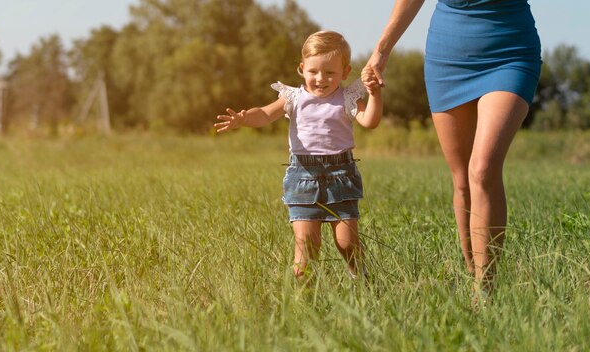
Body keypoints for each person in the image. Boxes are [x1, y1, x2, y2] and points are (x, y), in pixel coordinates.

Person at [362, 0, 541, 296]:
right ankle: (472, 272)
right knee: (462, 181)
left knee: (482, 169)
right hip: (449, 56)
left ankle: (484, 292)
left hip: (510, 50)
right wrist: (382, 50)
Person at [215, 30, 383, 282]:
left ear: (345, 73)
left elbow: (369, 121)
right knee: (307, 245)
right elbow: (264, 113)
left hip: (341, 176)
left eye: (330, 73)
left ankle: (363, 283)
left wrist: (375, 95)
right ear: (302, 68)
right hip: (302, 177)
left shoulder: (346, 98)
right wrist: (243, 119)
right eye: (313, 71)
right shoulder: (293, 98)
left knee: (346, 243)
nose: (321, 78)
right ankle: (304, 300)